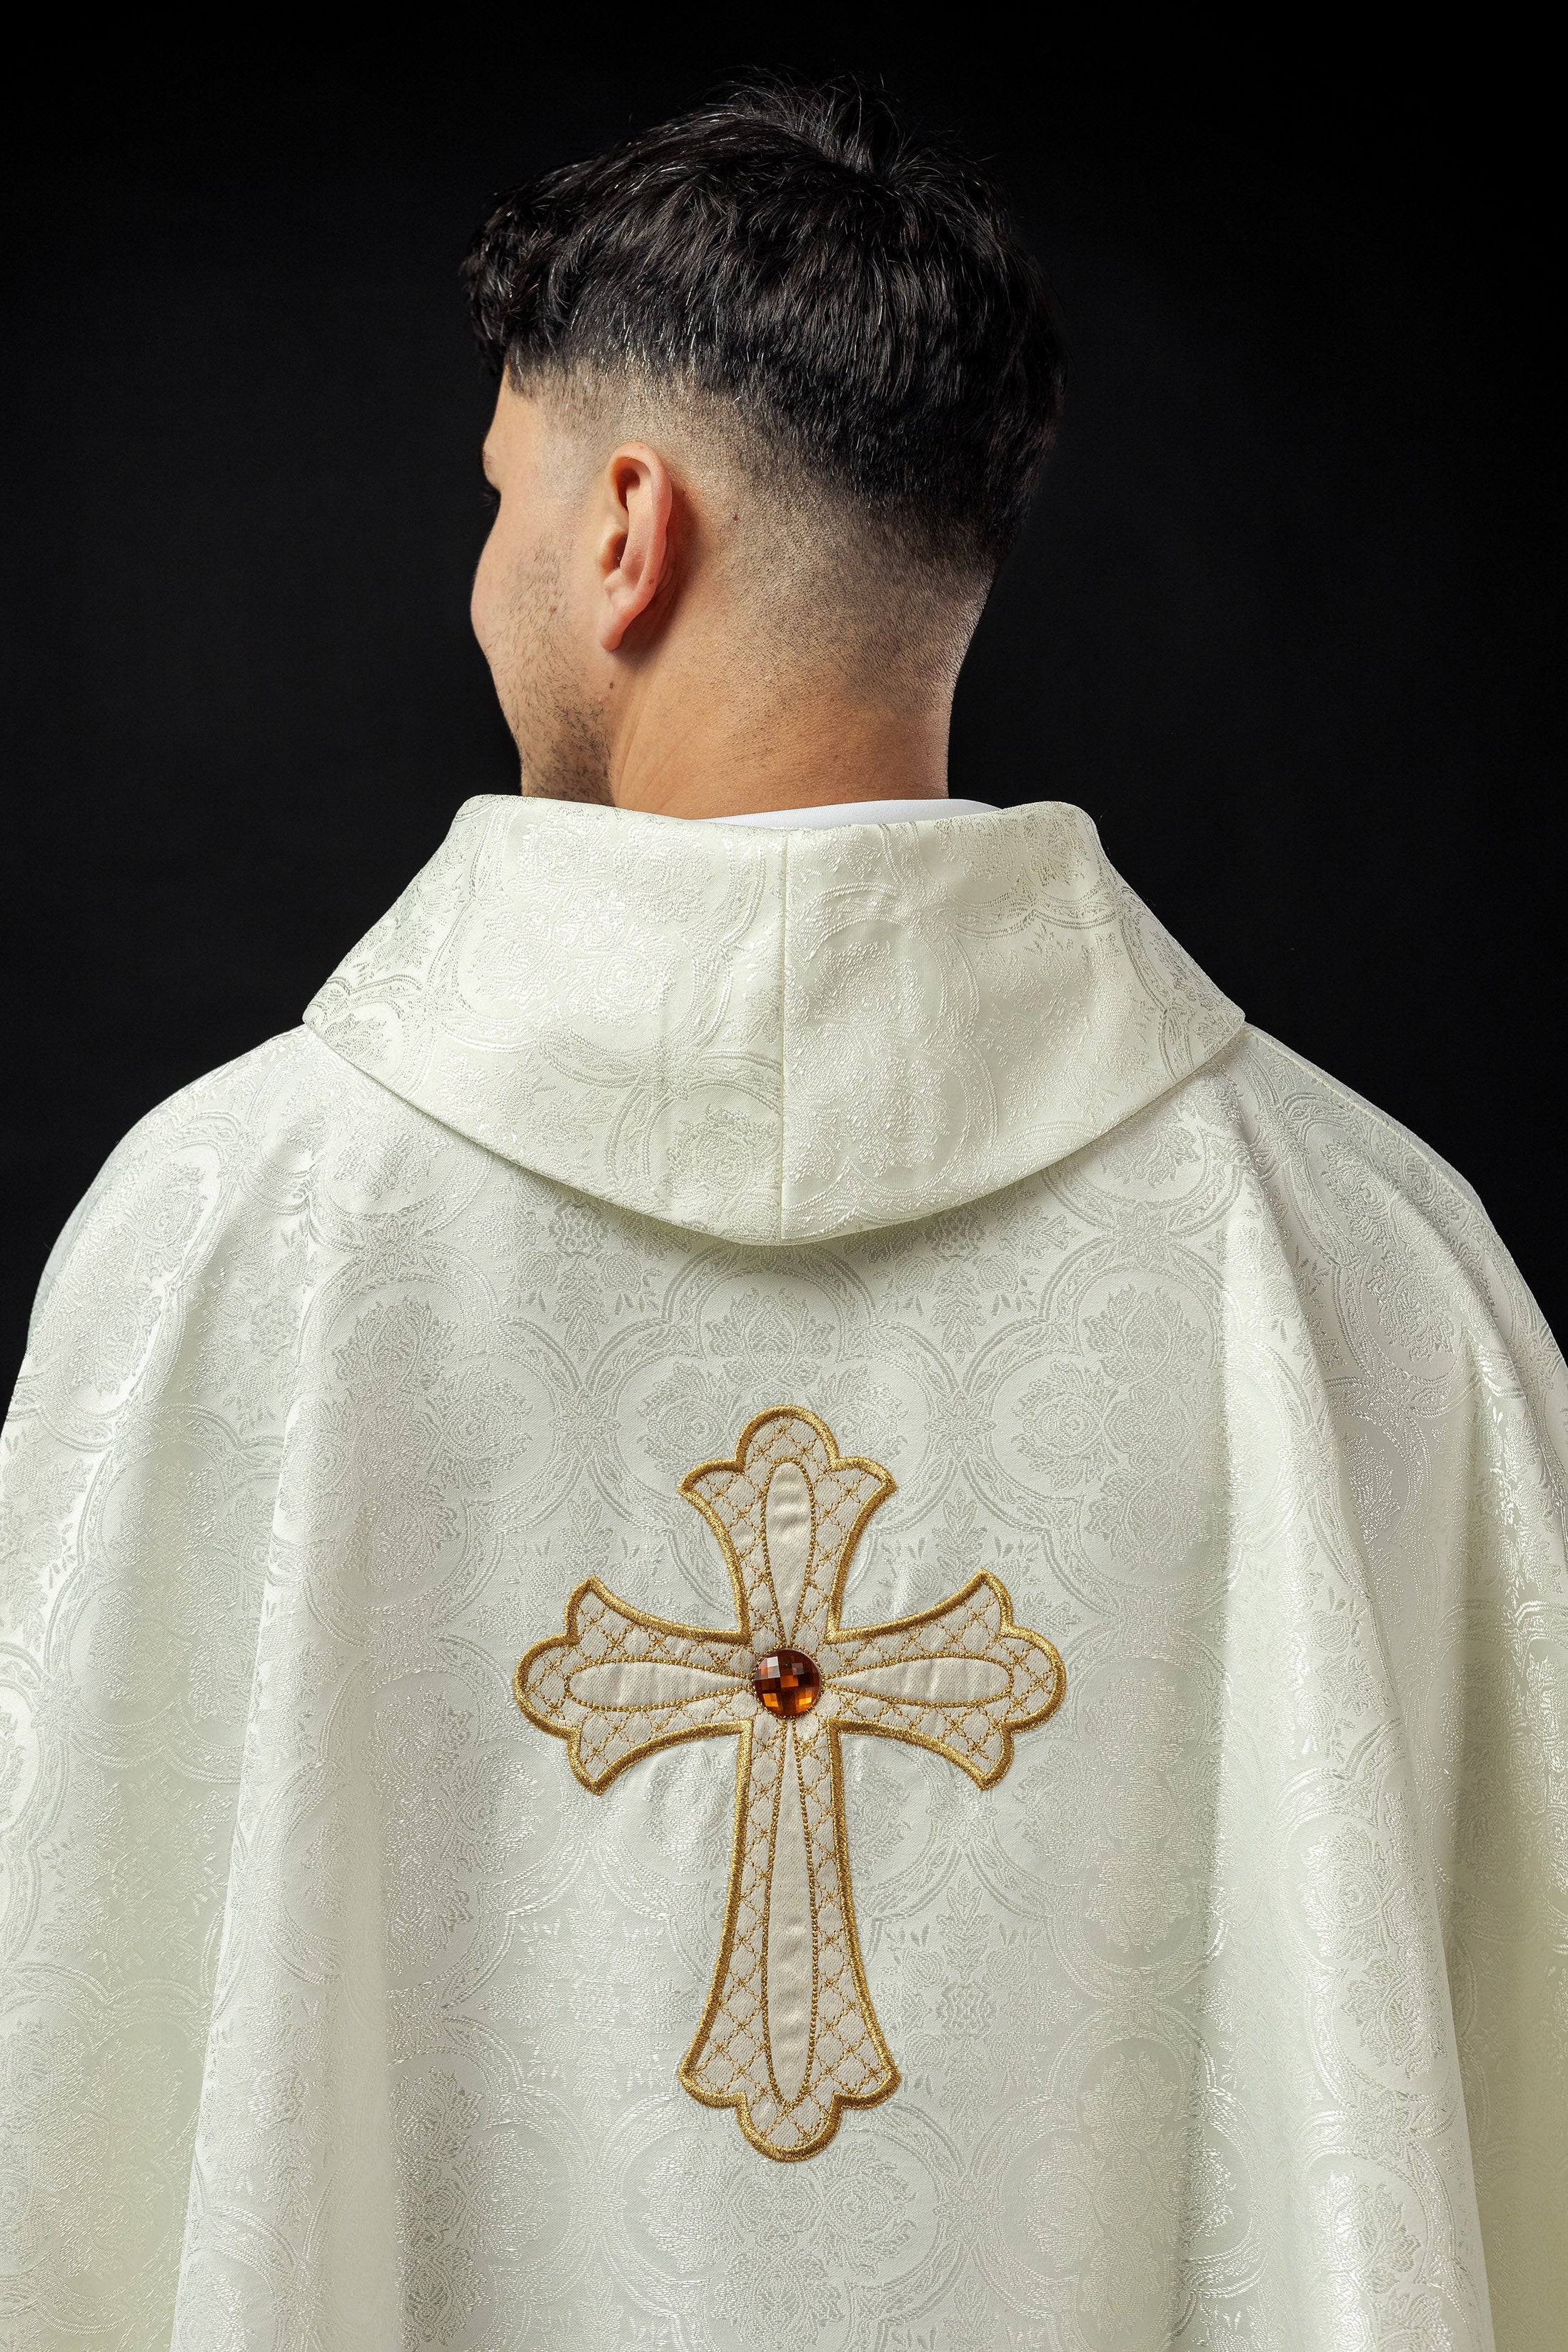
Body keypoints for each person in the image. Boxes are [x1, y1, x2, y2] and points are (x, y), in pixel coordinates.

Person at [1, 78, 1562, 2352]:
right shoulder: (1365, 1274)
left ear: (625, 529)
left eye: (502, 499)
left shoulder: (234, 1242)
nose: (487, 570)